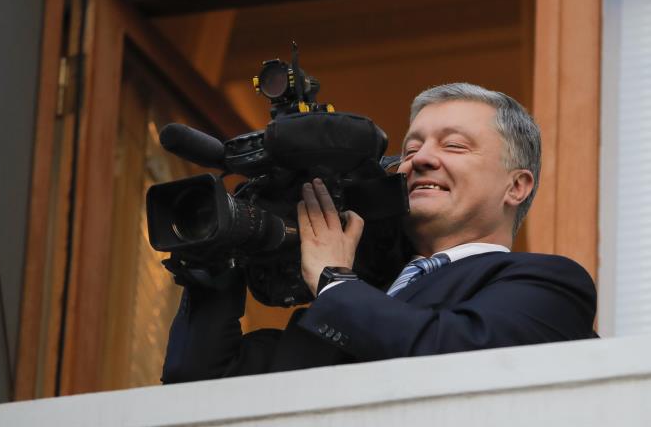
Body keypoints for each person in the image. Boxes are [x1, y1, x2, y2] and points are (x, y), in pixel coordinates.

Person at [161, 83, 597, 383]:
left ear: (517, 186)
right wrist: (221, 256)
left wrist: (333, 279)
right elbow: (198, 379)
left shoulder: (550, 285)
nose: (420, 159)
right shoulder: (341, 309)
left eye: (454, 145)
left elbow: (457, 358)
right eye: (411, 148)